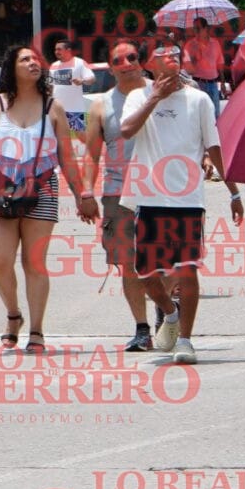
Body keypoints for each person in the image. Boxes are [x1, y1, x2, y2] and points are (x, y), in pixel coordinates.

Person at [112, 41, 237, 365]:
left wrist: (235, 192)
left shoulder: (199, 100)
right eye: (163, 54)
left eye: (176, 54)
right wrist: (154, 98)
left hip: (188, 199)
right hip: (149, 197)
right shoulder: (139, 97)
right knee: (146, 275)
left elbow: (214, 147)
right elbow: (126, 130)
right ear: (150, 63)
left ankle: (185, 339)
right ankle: (169, 313)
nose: (171, 58)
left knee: (187, 271)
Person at [0, 45, 92, 352]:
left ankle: (37, 329)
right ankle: (13, 315)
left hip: (43, 188)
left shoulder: (53, 107)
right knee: (1, 261)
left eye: (36, 60)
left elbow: (66, 157)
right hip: (1, 188)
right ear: (12, 67)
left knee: (34, 262)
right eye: (25, 59)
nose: (33, 63)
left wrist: (82, 195)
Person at [85, 42, 163, 353]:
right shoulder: (101, 105)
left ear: (142, 61)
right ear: (111, 66)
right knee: (129, 265)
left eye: (132, 57)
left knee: (165, 264)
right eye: (119, 59)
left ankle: (165, 310)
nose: (126, 63)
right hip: (118, 193)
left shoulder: (162, 93)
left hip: (161, 191)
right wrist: (85, 191)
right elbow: (91, 154)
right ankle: (142, 329)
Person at [48, 41, 96, 136]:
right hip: (57, 110)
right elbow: (51, 86)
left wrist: (82, 81)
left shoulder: (80, 63)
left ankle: (92, 150)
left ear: (68, 50)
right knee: (56, 136)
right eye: (55, 49)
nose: (56, 51)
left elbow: (92, 78)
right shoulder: (53, 66)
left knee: (82, 136)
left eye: (59, 49)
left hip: (75, 109)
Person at [182, 19, 226, 107]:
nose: (196, 31)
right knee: (200, 114)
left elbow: (220, 63)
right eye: (194, 28)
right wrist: (194, 56)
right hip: (198, 84)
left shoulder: (215, 43)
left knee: (215, 115)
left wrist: (223, 83)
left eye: (198, 28)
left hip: (213, 84)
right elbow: (189, 70)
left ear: (206, 28)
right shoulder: (190, 45)